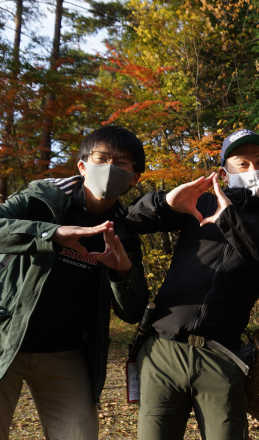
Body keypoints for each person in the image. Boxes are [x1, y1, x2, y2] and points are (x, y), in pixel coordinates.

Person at [125, 129, 259, 440]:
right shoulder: (198, 204)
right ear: (224, 173)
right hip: (163, 350)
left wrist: (230, 219)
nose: (253, 170)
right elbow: (132, 220)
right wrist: (165, 202)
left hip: (221, 357)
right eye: (241, 164)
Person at [0, 126, 149, 440]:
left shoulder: (125, 229)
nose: (110, 168)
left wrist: (122, 273)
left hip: (66, 354)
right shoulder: (42, 197)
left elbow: (133, 311)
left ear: (134, 177)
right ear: (82, 166)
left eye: (122, 164)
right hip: (6, 338)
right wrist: (51, 234)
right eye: (102, 158)